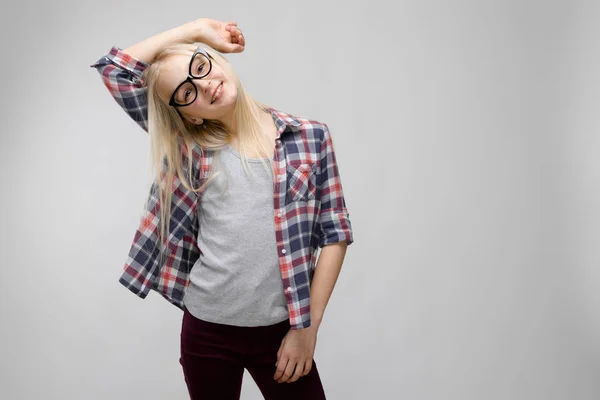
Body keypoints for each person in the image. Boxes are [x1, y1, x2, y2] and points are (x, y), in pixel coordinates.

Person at [90, 17, 354, 400]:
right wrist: (194, 30)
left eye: (201, 66)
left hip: (283, 329)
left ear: (220, 61)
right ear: (190, 114)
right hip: (207, 330)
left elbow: (335, 235)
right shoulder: (190, 147)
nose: (203, 84)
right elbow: (115, 69)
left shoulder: (310, 137)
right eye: (186, 92)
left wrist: (306, 331)